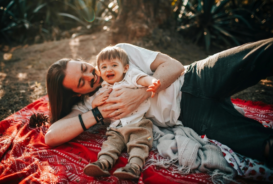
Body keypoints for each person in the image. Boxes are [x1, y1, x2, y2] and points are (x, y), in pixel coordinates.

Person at [45, 39, 273, 170]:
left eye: (85, 67)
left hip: (196, 77)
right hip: (191, 115)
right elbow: (52, 136)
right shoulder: (87, 105)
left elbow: (173, 66)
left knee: (262, 54)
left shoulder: (117, 54)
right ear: (75, 94)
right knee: (263, 147)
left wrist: (141, 95)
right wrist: (98, 113)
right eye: (81, 82)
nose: (91, 76)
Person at [76, 46, 161, 179]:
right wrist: (96, 102)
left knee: (139, 145)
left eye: (114, 65)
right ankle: (102, 163)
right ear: (99, 71)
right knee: (110, 145)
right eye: (104, 67)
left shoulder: (129, 77)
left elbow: (143, 79)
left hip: (138, 124)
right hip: (116, 128)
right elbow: (92, 106)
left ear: (125, 68)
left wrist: (153, 82)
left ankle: (133, 167)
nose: (108, 69)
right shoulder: (103, 88)